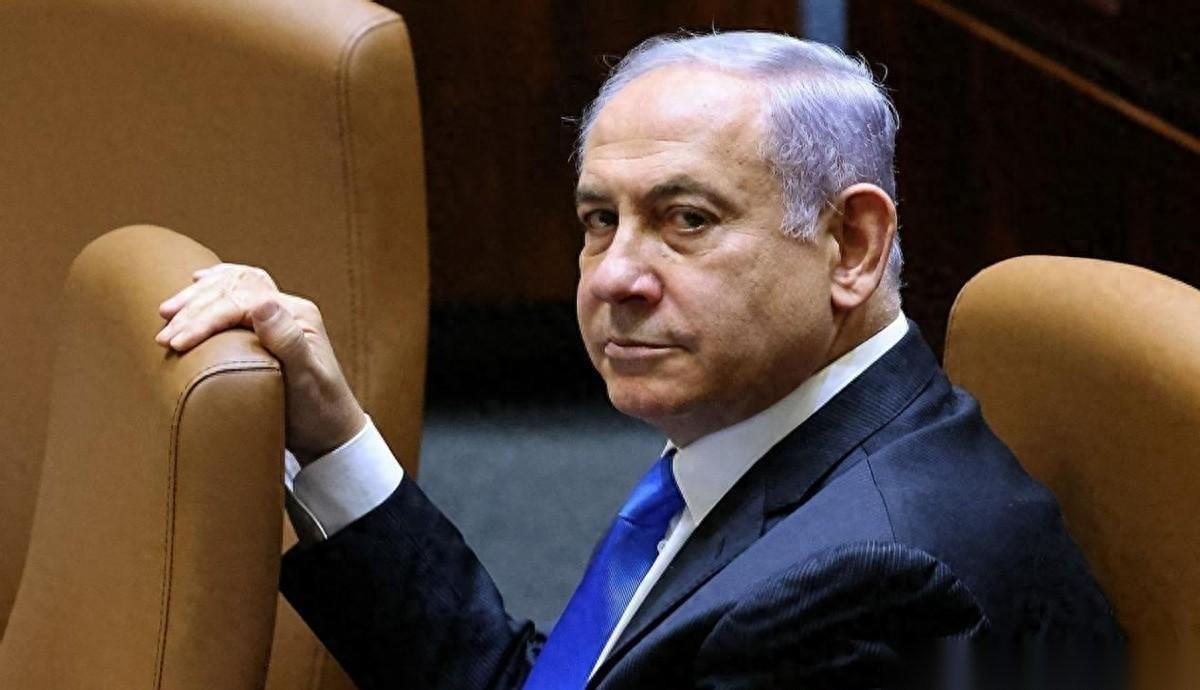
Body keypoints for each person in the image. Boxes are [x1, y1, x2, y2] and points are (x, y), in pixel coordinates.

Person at [156, 31, 1120, 689]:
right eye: (598, 220)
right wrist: (335, 442)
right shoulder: (775, 437)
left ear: (852, 246)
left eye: (685, 219)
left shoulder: (862, 586)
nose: (614, 276)